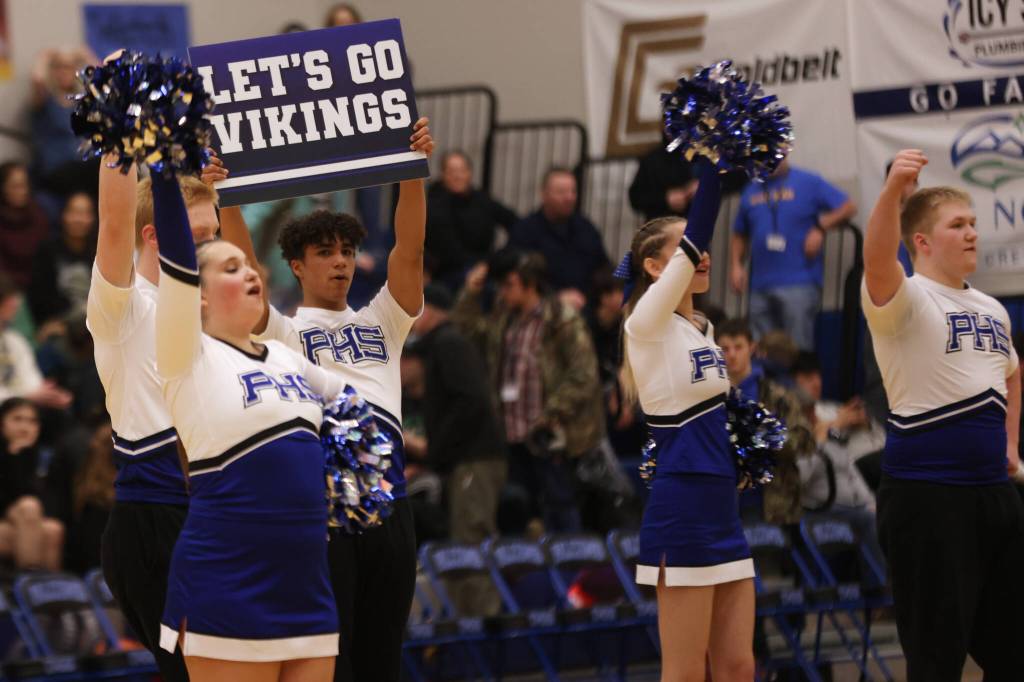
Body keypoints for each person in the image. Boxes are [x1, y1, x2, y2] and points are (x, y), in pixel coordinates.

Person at [217, 118, 435, 682]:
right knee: (332, 660)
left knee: (383, 658)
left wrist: (412, 171)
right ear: (297, 264)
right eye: (324, 252)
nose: (340, 261)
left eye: (346, 250)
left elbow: (408, 253)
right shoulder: (284, 331)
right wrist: (228, 197)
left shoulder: (382, 321)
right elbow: (246, 273)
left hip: (391, 503)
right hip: (325, 511)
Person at [147, 170, 348, 682]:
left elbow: (355, 408)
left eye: (248, 262)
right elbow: (173, 257)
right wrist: (165, 165)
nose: (249, 269)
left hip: (305, 582)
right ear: (199, 295)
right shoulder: (184, 354)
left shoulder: (285, 358)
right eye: (231, 267)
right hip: (229, 578)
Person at [862, 149, 1023, 681]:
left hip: (994, 498)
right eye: (958, 225)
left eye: (974, 223)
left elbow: (1012, 374)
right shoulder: (905, 299)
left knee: (1013, 651)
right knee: (936, 660)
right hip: (928, 499)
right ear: (923, 243)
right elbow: (878, 256)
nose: (973, 232)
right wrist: (891, 193)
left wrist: (1011, 446)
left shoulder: (992, 308)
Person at [619, 163, 754, 681]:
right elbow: (697, 237)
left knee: (739, 666)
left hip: (723, 504)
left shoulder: (704, 327)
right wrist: (714, 172)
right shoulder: (645, 325)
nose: (703, 255)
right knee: (684, 672)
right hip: (682, 507)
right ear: (656, 268)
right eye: (685, 251)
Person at [86, 155, 218, 681]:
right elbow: (114, 221)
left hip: (209, 511)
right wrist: (118, 122)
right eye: (201, 233)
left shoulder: (208, 317)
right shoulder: (125, 309)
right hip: (156, 518)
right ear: (155, 234)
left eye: (215, 232)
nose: (211, 244)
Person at [453, 251, 604, 535]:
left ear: (529, 284)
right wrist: (471, 293)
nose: (503, 292)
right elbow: (465, 331)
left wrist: (552, 414)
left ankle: (571, 574)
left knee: (561, 505)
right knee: (519, 508)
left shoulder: (562, 319)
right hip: (511, 432)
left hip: (550, 433)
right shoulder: (503, 319)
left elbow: (584, 375)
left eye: (509, 285)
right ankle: (528, 575)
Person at [406, 283, 505, 614]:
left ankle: (485, 624)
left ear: (431, 310)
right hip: (466, 460)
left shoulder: (449, 344)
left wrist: (437, 449)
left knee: (471, 542)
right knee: (463, 541)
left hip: (475, 460)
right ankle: (466, 622)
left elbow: (471, 402)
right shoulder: (442, 346)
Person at [729, 160, 856, 350]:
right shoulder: (751, 188)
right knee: (761, 348)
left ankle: (796, 379)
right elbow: (740, 232)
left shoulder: (809, 181)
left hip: (799, 281)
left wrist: (820, 228)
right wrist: (736, 266)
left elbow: (848, 206)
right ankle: (764, 380)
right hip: (759, 284)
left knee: (798, 347)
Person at [718, 319, 815, 526]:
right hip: (722, 501)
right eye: (725, 349)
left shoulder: (776, 395)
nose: (732, 355)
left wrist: (763, 438)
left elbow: (806, 438)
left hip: (770, 504)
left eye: (738, 347)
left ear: (752, 348)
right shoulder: (710, 398)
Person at [791, 352, 884, 561]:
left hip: (855, 507)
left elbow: (849, 470)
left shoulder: (829, 428)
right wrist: (820, 441)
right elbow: (800, 479)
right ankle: (883, 589)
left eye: (814, 411)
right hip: (820, 512)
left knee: (884, 514)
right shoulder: (797, 438)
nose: (815, 417)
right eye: (808, 413)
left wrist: (871, 501)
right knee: (869, 521)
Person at [507, 167, 609, 310]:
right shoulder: (525, 231)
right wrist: (555, 297)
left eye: (573, 191)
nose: (569, 197)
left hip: (588, 307)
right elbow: (518, 279)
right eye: (561, 192)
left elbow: (603, 267)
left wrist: (612, 295)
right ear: (544, 194)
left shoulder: (586, 228)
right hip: (542, 310)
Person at [425, 150, 518, 291]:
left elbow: (515, 223)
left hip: (486, 266)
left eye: (462, 170)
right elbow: (447, 251)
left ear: (470, 173)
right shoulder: (434, 206)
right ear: (443, 175)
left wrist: (497, 259)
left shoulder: (482, 200)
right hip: (450, 273)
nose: (457, 176)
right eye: (451, 171)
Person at [0, 398, 64, 571]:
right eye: (17, 419)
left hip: (18, 521)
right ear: (2, 424)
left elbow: (44, 498)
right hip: (10, 517)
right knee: (29, 507)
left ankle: (53, 594)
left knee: (53, 529)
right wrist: (13, 456)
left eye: (32, 421)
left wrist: (18, 454)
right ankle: (33, 580)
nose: (25, 426)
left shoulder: (37, 453)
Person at [0, 273, 71, 409]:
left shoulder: (15, 340)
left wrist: (45, 394)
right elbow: (27, 393)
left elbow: (32, 381)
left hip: (21, 405)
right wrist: (26, 396)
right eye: (10, 299)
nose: (16, 303)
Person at [28, 191, 97, 328]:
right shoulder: (47, 250)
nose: (79, 219)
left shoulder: (99, 252)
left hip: (94, 322)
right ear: (63, 215)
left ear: (93, 218)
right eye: (74, 212)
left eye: (85, 214)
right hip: (58, 323)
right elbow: (39, 295)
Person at [0, 161, 50, 288]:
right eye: (16, 186)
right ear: (3, 188)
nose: (23, 191)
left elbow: (44, 264)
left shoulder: (39, 217)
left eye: (25, 186)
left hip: (36, 290)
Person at [628, 139, 697, 221]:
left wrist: (703, 187)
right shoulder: (652, 159)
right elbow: (636, 198)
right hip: (660, 225)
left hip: (694, 225)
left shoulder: (699, 157)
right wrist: (665, 199)